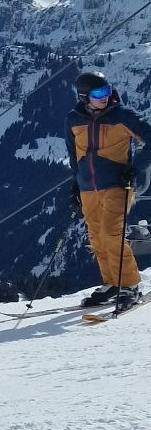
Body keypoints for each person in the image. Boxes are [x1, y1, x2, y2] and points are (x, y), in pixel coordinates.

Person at [66, 70, 151, 307]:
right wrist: (76, 182)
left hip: (118, 183)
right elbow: (74, 154)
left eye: (107, 90)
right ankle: (113, 283)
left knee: (112, 233)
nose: (105, 96)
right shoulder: (73, 120)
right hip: (87, 188)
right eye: (99, 93)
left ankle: (130, 285)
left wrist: (135, 168)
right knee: (97, 237)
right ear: (84, 97)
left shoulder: (122, 116)